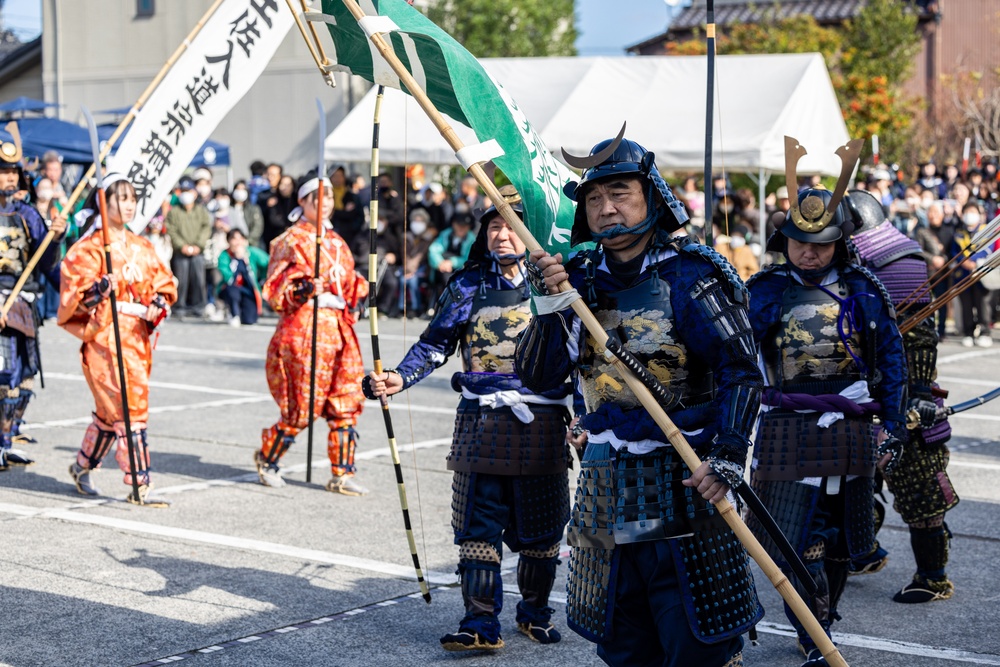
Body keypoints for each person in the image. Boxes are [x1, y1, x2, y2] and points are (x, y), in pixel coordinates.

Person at [516, 136, 763, 667]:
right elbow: (538, 375)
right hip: (606, 486)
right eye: (594, 198)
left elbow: (743, 371)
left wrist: (729, 453)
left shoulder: (692, 275)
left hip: (685, 481)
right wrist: (545, 306)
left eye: (621, 192)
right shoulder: (572, 280)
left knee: (694, 640)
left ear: (651, 195)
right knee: (623, 642)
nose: (607, 208)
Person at [365, 186, 574, 651]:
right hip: (479, 423)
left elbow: (579, 357)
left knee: (541, 533)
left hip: (540, 423)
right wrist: (401, 377)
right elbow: (436, 343)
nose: (502, 235)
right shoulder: (465, 285)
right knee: (477, 533)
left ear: (530, 233)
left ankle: (535, 612)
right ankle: (480, 625)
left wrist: (581, 421)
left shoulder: (556, 287)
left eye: (511, 225)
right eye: (494, 225)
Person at [746, 162, 907, 666]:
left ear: (839, 242)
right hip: (785, 425)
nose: (809, 251)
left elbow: (892, 356)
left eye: (820, 242)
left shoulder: (863, 287)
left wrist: (895, 422)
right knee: (792, 538)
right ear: (785, 240)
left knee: (838, 536)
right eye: (800, 241)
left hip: (852, 424)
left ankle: (822, 621)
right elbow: (733, 360)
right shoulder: (764, 289)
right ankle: (813, 629)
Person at [847, 190, 959, 603]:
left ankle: (934, 577)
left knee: (919, 488)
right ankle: (865, 552)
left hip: (908, 400)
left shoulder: (896, 263)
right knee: (857, 479)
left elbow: (919, 342)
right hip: (861, 395)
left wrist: (915, 394)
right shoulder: (855, 265)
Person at [60, 174, 177, 505]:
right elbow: (73, 293)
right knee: (128, 408)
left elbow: (165, 284)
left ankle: (82, 466)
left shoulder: (142, 246)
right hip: (104, 336)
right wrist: (98, 291)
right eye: (121, 198)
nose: (128, 205)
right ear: (103, 201)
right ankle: (140, 481)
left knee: (111, 411)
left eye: (132, 199)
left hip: (136, 337)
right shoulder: (90, 247)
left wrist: (159, 302)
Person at [255, 174, 369, 495]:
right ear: (303, 202)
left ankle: (342, 473)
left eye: (329, 197)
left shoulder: (336, 242)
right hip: (307, 326)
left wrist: (360, 293)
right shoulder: (291, 240)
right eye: (317, 198)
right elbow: (277, 288)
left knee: (345, 397)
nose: (325, 203)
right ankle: (267, 459)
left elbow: (348, 280)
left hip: (338, 327)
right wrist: (303, 287)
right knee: (303, 404)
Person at [0, 135, 66, 467]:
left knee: (23, 374)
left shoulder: (27, 213)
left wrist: (55, 237)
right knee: (3, 373)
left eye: (13, 171)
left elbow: (47, 262)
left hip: (21, 304)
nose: (9, 177)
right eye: (2, 171)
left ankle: (7, 439)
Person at [165, 178, 210, 319]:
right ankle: (180, 306)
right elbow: (171, 230)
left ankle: (199, 306)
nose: (186, 194)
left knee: (198, 279)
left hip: (198, 251)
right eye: (183, 191)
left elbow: (206, 228)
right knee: (181, 279)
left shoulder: (201, 211)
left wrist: (198, 245)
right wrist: (182, 245)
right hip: (181, 251)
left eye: (188, 191)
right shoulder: (174, 212)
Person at [950, 201, 992, 347]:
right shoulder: (959, 233)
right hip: (963, 275)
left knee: (982, 304)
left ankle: (985, 331)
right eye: (968, 212)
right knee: (966, 305)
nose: (970, 215)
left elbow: (988, 249)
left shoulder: (986, 231)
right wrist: (964, 261)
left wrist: (973, 261)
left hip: (981, 273)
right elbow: (954, 252)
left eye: (973, 212)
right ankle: (969, 332)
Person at [217, 228, 268, 326]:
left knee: (250, 320)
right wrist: (238, 259)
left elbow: (267, 263)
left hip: (249, 289)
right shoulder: (224, 255)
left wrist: (262, 279)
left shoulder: (252, 252)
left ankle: (243, 312)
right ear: (228, 241)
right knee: (232, 291)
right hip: (232, 287)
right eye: (234, 239)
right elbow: (229, 279)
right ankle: (233, 313)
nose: (237, 242)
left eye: (240, 239)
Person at [231, 180, 264, 248]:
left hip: (250, 245)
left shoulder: (253, 209)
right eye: (238, 189)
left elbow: (257, 227)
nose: (240, 192)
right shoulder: (230, 209)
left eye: (243, 189)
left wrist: (248, 241)